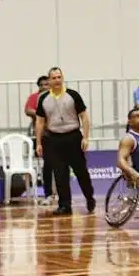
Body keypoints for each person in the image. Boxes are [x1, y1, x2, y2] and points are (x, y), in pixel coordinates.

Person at [35, 67, 95, 215]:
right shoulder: (43, 99)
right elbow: (40, 122)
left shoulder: (73, 95)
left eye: (59, 77)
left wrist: (86, 137)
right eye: (53, 78)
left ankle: (89, 197)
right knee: (60, 174)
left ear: (62, 78)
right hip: (53, 139)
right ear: (49, 81)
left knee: (81, 172)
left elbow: (85, 117)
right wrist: (38, 143)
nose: (57, 80)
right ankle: (65, 205)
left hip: (73, 137)